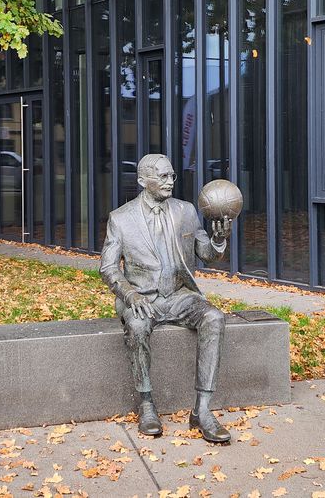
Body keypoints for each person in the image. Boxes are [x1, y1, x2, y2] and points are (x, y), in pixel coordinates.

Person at [99, 153, 234, 443]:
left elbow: (207, 255)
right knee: (136, 327)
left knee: (214, 317)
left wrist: (219, 240)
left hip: (179, 296)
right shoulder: (121, 219)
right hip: (141, 298)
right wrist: (129, 293)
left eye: (172, 175)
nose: (170, 181)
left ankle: (202, 410)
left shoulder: (185, 211)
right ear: (142, 181)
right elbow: (108, 267)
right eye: (162, 176)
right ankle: (147, 404)